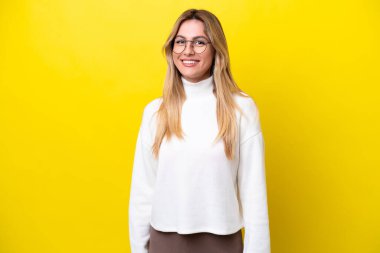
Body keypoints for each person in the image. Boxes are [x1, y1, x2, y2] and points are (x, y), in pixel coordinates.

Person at [129, 8, 271, 253]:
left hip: (222, 242)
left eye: (200, 42)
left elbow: (254, 194)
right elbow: (143, 191)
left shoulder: (241, 109)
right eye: (180, 42)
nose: (188, 51)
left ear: (216, 49)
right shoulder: (155, 112)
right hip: (164, 242)